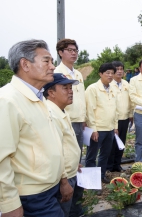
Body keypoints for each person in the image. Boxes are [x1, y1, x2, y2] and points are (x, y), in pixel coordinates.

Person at [0, 39, 69, 217]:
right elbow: (1, 159)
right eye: (46, 61)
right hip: (33, 196)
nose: (53, 67)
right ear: (25, 64)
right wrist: (9, 205)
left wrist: (62, 179)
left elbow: (52, 142)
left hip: (49, 189)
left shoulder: (39, 97)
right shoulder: (7, 100)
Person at [55, 38, 86, 216]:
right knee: (67, 163)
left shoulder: (78, 74)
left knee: (77, 163)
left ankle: (76, 206)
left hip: (78, 121)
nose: (74, 53)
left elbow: (81, 99)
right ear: (60, 52)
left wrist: (85, 118)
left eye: (75, 50)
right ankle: (66, 206)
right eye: (69, 50)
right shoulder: (57, 73)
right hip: (65, 120)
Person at [43, 73, 81, 217]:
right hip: (61, 178)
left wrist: (75, 162)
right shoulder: (51, 114)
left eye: (71, 87)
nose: (70, 91)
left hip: (69, 172)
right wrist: (64, 182)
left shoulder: (61, 110)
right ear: (51, 92)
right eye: (65, 88)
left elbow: (65, 144)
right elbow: (53, 151)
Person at [85, 63, 118, 187]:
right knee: (91, 157)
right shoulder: (93, 89)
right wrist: (93, 129)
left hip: (109, 129)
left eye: (112, 73)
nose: (110, 75)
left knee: (105, 155)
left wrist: (115, 127)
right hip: (97, 129)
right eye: (107, 73)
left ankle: (101, 176)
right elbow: (90, 110)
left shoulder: (113, 89)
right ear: (100, 74)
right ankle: (91, 183)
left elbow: (115, 109)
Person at [107, 61, 133, 172]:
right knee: (112, 144)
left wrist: (131, 115)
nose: (119, 71)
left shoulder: (126, 84)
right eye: (117, 69)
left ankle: (117, 164)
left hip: (125, 117)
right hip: (114, 119)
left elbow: (130, 100)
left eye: (121, 69)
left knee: (121, 142)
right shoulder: (109, 85)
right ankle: (109, 166)